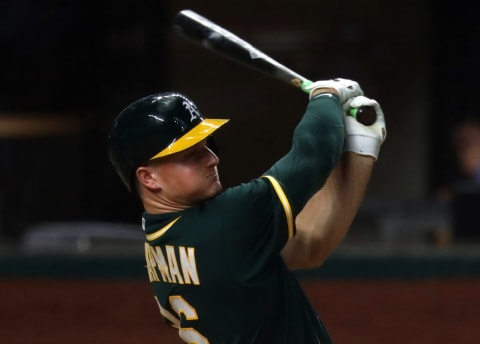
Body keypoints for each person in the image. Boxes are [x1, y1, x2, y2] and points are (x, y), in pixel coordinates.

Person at [107, 78, 386, 343]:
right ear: (148, 178)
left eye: (208, 147)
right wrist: (326, 96)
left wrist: (360, 149)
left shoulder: (162, 239)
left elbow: (310, 246)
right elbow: (314, 153)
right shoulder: (228, 221)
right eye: (192, 155)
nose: (213, 159)